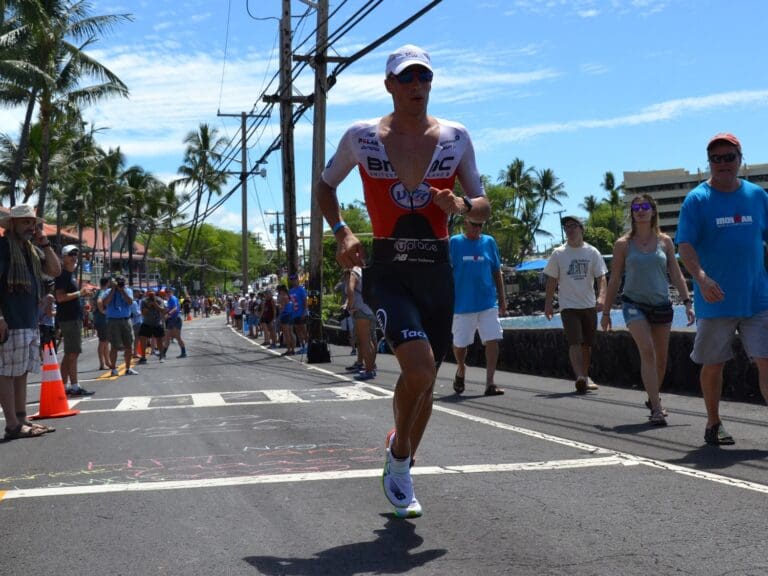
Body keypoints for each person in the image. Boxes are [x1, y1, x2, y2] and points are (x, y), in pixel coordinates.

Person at [316, 44, 490, 518]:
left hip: (436, 270)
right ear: (389, 85)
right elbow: (326, 185)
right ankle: (399, 462)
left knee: (426, 380)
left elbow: (482, 205)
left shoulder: (455, 137)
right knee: (418, 368)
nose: (417, 87)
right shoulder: (362, 137)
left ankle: (403, 450)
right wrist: (343, 231)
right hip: (389, 269)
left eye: (424, 79)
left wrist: (460, 207)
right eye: (407, 79)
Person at [676, 133, 768, 445]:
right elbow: (685, 245)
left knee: (766, 360)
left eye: (729, 157)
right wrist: (701, 278)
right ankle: (713, 423)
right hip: (715, 299)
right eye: (716, 158)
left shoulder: (757, 196)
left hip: (757, 296)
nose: (723, 163)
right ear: (709, 162)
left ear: (740, 159)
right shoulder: (697, 200)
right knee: (713, 364)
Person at [601, 194, 694, 425]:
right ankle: (656, 408)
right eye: (636, 208)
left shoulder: (665, 242)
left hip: (661, 305)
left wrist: (688, 302)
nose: (640, 211)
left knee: (661, 360)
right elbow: (614, 280)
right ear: (632, 214)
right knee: (648, 351)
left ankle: (653, 397)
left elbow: (675, 273)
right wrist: (604, 312)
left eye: (645, 207)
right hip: (634, 305)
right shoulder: (623, 244)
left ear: (653, 211)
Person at [0, 204, 61, 439]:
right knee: (6, 372)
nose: (30, 227)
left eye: (33, 223)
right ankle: (12, 424)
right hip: (11, 320)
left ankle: (22, 418)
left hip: (28, 320)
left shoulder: (32, 250)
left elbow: (54, 271)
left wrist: (44, 242)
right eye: (25, 222)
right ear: (12, 223)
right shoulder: (4, 247)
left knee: (22, 371)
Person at [543, 215, 608, 394]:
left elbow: (601, 277)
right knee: (575, 342)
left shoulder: (592, 252)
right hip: (568, 306)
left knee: (587, 344)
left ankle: (585, 376)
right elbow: (552, 280)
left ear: (581, 228)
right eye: (566, 227)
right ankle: (579, 376)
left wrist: (602, 298)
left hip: (588, 305)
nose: (569, 230)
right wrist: (548, 303)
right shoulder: (558, 253)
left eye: (573, 226)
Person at [449, 217, 507, 396]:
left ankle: (490, 383)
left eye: (480, 225)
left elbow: (497, 271)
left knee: (493, 338)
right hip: (462, 304)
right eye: (474, 224)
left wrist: (503, 300)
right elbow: (446, 272)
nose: (477, 228)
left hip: (487, 302)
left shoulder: (489, 242)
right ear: (466, 222)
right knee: (460, 345)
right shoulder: (454, 242)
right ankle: (461, 369)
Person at [54, 244, 94, 396]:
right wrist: (80, 293)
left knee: (70, 353)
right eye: (71, 254)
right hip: (68, 318)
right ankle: (74, 387)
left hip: (73, 317)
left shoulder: (70, 274)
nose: (74, 256)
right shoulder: (63, 275)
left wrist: (82, 295)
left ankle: (63, 386)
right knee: (73, 353)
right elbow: (60, 297)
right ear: (63, 257)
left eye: (76, 254)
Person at [345, 266, 378, 381]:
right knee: (371, 340)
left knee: (364, 342)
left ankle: (368, 370)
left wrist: (350, 305)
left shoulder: (355, 271)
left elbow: (351, 288)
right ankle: (372, 367)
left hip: (361, 310)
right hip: (373, 309)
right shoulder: (370, 270)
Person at [101, 275, 137, 376]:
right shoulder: (108, 291)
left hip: (126, 320)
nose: (121, 284)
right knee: (114, 346)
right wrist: (113, 290)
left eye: (122, 282)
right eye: (119, 282)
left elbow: (130, 302)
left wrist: (122, 291)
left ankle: (128, 368)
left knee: (129, 345)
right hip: (113, 321)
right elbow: (105, 302)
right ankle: (113, 368)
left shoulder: (127, 290)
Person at [137, 290, 166, 364]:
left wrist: (155, 303)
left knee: (159, 340)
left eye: (152, 295)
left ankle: (161, 356)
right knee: (143, 339)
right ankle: (143, 357)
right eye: (149, 295)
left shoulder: (159, 300)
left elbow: (162, 310)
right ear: (147, 295)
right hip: (147, 323)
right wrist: (149, 305)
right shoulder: (144, 301)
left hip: (157, 323)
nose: (151, 296)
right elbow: (143, 313)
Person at [162, 286, 187, 359]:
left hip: (175, 320)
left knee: (177, 337)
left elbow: (175, 308)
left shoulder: (172, 298)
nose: (167, 293)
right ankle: (163, 354)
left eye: (169, 292)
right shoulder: (170, 299)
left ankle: (183, 352)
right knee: (167, 337)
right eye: (166, 292)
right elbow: (169, 308)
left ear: (172, 292)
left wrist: (168, 314)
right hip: (172, 320)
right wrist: (165, 312)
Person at [93, 276, 111, 370]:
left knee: (106, 342)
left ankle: (107, 362)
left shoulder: (100, 291)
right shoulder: (102, 291)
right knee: (103, 341)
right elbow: (99, 301)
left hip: (101, 319)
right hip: (102, 320)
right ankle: (102, 363)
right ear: (107, 282)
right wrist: (102, 311)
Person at [288, 274, 308, 354]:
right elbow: (291, 302)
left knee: (304, 331)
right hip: (294, 314)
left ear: (298, 280)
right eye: (292, 280)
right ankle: (302, 346)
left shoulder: (301, 289)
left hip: (301, 313)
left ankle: (307, 346)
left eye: (295, 279)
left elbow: (305, 301)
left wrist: (305, 312)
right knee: (298, 331)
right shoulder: (291, 290)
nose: (293, 281)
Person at [276, 284, 295, 355]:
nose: (278, 292)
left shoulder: (283, 297)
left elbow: (282, 308)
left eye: (279, 291)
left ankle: (289, 350)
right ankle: (292, 350)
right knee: (291, 333)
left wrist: (277, 305)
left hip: (285, 315)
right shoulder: (289, 296)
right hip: (291, 315)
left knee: (287, 334)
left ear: (281, 290)